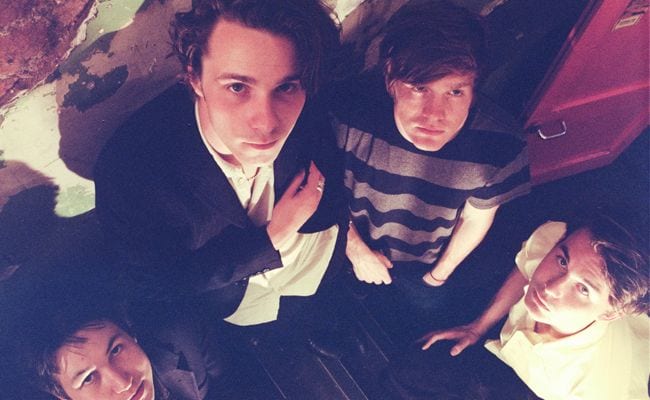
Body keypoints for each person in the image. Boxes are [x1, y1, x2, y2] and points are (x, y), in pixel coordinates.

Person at [93, 0, 346, 326]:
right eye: (237, 87)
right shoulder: (130, 169)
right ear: (195, 77)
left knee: (320, 310)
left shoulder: (306, 90)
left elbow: (326, 150)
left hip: (312, 256)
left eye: (284, 87)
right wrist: (271, 238)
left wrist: (344, 233)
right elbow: (149, 282)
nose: (266, 122)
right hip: (236, 298)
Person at [328, 1, 530, 322]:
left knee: (418, 314)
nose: (434, 115)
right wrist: (355, 249)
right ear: (390, 75)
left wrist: (438, 275)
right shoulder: (344, 111)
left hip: (425, 266)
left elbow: (475, 218)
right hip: (345, 243)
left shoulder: (501, 144)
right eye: (419, 88)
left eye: (455, 92)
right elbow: (319, 186)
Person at [386, 213, 650, 399]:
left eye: (583, 289)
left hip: (542, 391)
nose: (550, 288)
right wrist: (478, 327)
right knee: (406, 371)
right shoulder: (552, 239)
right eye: (562, 262)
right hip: (507, 353)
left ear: (609, 313)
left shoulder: (594, 390)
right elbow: (528, 266)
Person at [12, 266, 222, 400]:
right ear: (65, 397)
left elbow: (228, 381)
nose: (123, 383)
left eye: (116, 350)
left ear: (131, 335)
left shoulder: (180, 334)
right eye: (88, 378)